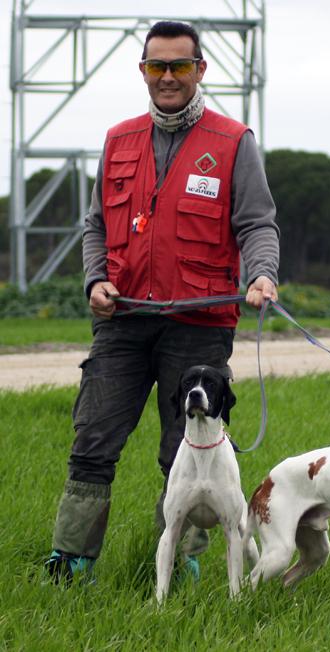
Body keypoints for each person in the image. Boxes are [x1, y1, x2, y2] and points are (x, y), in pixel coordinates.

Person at [45, 20, 279, 583]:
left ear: (200, 70)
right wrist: (94, 280)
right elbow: (96, 226)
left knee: (185, 448)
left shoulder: (232, 141)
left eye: (179, 66)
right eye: (157, 66)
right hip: (123, 320)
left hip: (199, 324)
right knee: (94, 437)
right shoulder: (118, 139)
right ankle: (71, 561)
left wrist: (263, 276)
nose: (168, 77)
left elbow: (257, 225)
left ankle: (185, 561)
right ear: (143, 72)